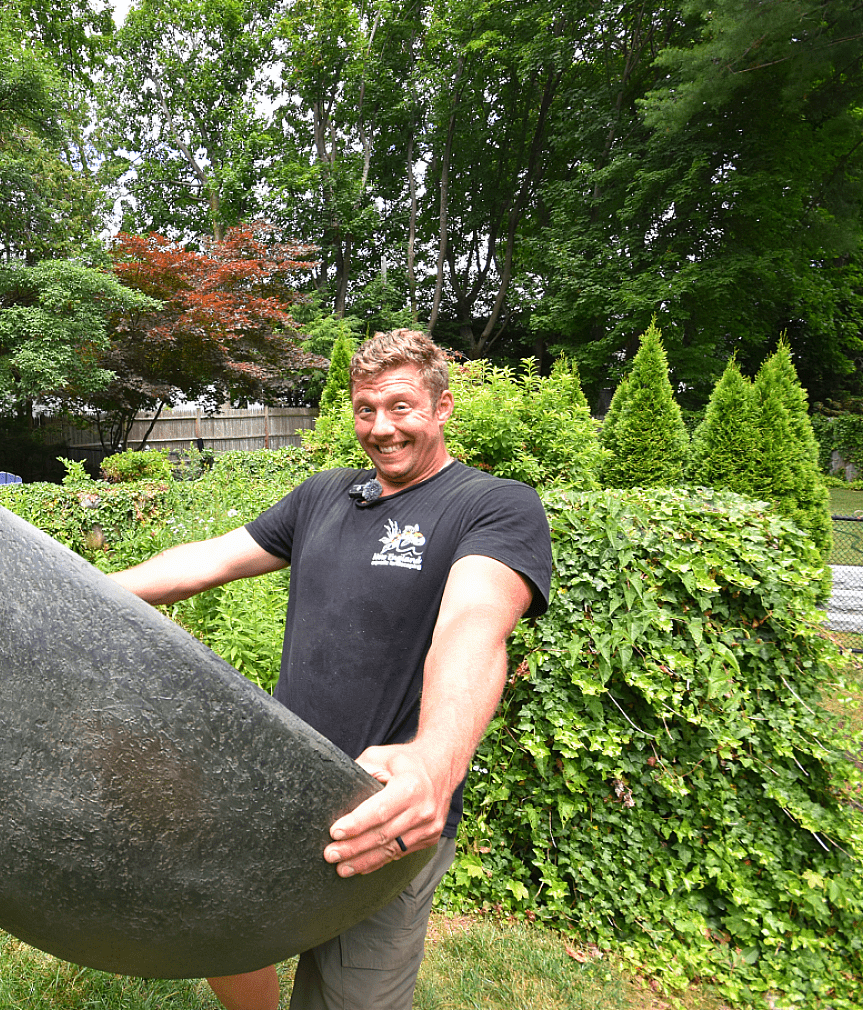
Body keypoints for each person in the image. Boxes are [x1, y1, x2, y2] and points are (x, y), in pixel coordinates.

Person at [109, 329, 552, 1010]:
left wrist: (437, 761)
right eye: (365, 409)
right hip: (276, 786)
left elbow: (476, 622)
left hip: (380, 812)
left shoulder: (492, 506)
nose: (382, 428)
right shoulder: (324, 496)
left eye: (401, 407)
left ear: (442, 407)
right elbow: (209, 559)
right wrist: (86, 587)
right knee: (217, 929)